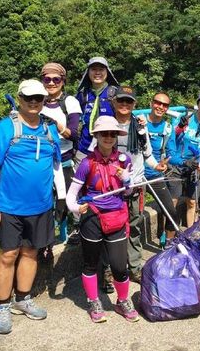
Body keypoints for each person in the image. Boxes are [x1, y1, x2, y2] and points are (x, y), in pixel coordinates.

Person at [0, 80, 63, 334]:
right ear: (19, 98)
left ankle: (23, 298)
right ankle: (3, 306)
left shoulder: (49, 130)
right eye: (29, 97)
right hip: (9, 206)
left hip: (41, 206)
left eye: (38, 98)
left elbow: (57, 166)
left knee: (31, 252)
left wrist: (61, 197)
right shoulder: (5, 128)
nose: (34, 102)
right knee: (8, 255)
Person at [65, 116, 139, 323]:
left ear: (117, 136)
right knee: (90, 264)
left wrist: (127, 179)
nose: (108, 137)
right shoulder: (87, 163)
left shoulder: (125, 160)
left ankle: (122, 301)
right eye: (104, 133)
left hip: (116, 216)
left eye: (112, 133)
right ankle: (93, 301)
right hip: (92, 217)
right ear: (96, 135)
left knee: (119, 266)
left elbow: (127, 192)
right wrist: (75, 208)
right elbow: (71, 195)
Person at [106, 86, 166, 284]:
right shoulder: (106, 125)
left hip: (137, 184)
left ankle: (135, 267)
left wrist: (157, 165)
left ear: (134, 104)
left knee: (135, 227)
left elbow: (147, 154)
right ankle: (109, 269)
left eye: (129, 101)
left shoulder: (140, 128)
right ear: (114, 102)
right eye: (121, 101)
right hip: (112, 186)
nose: (124, 105)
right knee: (111, 228)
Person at [40, 62, 82, 244]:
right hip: (40, 162)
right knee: (42, 205)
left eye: (56, 79)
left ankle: (75, 233)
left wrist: (55, 125)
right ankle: (45, 242)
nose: (51, 83)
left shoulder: (70, 102)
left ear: (63, 81)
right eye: (46, 79)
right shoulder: (35, 101)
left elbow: (74, 134)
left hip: (63, 161)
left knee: (65, 204)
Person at [168, 91, 200, 227]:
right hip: (177, 164)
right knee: (173, 201)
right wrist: (179, 127)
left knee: (192, 201)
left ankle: (190, 233)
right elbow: (173, 138)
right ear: (198, 104)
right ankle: (169, 233)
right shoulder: (185, 118)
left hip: (195, 167)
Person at [144, 91, 180, 247]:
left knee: (172, 214)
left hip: (155, 174)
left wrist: (181, 162)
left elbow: (172, 152)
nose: (160, 107)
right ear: (151, 103)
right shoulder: (139, 121)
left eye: (164, 105)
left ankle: (168, 246)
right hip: (136, 175)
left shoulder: (167, 127)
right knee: (132, 218)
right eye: (158, 103)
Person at [76, 57, 119, 162]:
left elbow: (126, 116)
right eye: (94, 69)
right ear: (88, 72)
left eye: (101, 69)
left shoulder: (115, 94)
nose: (97, 72)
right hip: (84, 150)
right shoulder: (83, 94)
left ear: (107, 72)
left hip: (108, 152)